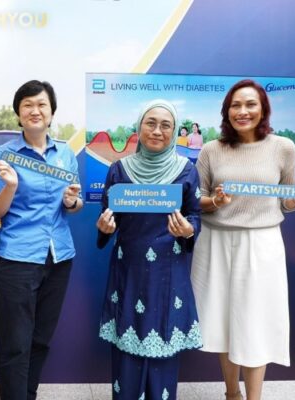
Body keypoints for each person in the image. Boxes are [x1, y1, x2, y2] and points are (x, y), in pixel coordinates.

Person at [190, 79, 295, 400]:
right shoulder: (212, 149)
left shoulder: (283, 147)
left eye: (250, 104)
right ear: (226, 111)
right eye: (235, 105)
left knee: (255, 323)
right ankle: (231, 393)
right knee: (223, 321)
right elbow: (196, 199)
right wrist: (216, 201)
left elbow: (286, 200)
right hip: (216, 243)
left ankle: (254, 397)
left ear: (263, 109)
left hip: (262, 244)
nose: (243, 111)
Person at [96, 100, 202, 400]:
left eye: (166, 125)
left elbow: (195, 214)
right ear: (139, 127)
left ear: (174, 130)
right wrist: (104, 228)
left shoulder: (186, 170)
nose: (157, 131)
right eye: (150, 123)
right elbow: (108, 215)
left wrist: (188, 229)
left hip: (170, 271)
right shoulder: (119, 170)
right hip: (128, 270)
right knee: (126, 356)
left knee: (163, 353)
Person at [0, 80, 83, 400]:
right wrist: (10, 187)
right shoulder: (3, 155)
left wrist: (72, 201)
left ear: (52, 112)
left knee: (41, 340)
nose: (35, 110)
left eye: (41, 104)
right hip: (17, 259)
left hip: (58, 257)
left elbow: (74, 204)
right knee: (15, 345)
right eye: (27, 105)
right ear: (18, 113)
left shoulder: (66, 154)